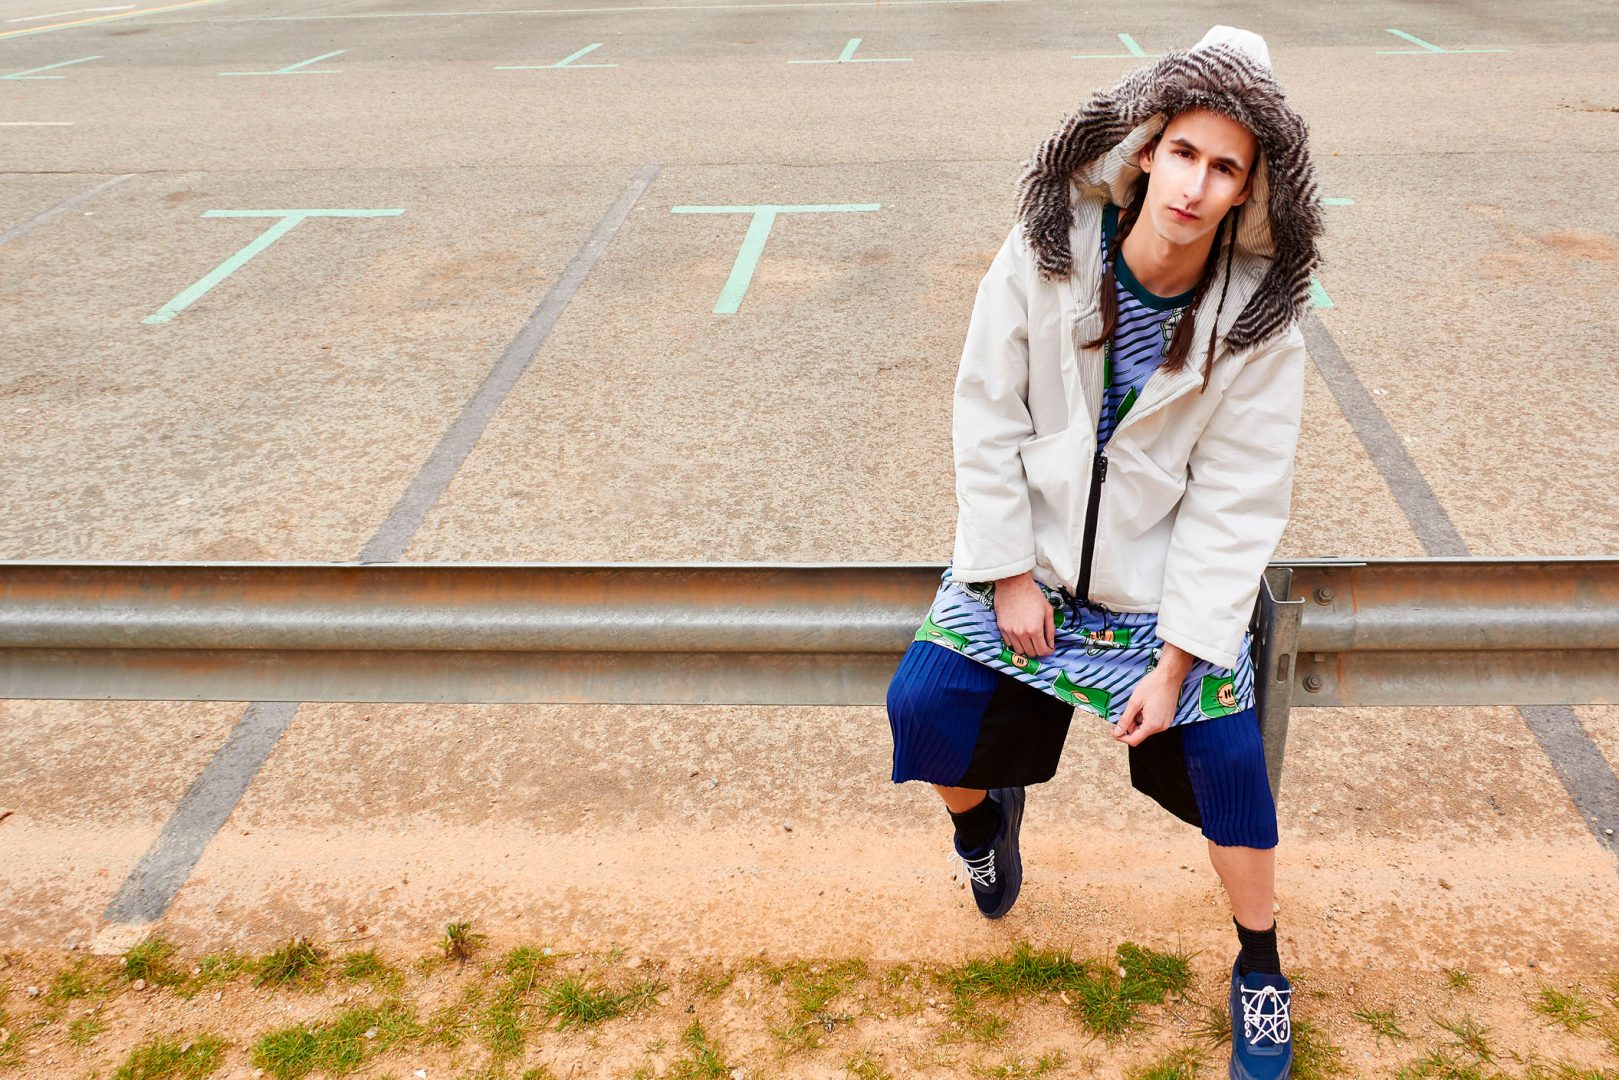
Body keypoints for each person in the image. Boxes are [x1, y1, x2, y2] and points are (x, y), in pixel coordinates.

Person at [885, 24, 1324, 1080]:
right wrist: (1004, 574)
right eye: (1183, 152)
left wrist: (1176, 663)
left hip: (1154, 600)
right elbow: (985, 412)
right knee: (922, 710)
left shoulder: (1258, 327)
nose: (1194, 185)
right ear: (1145, 148)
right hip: (1026, 567)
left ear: (1248, 190)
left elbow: (1235, 504)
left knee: (1230, 771)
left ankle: (1259, 965)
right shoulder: (1046, 254)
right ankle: (981, 830)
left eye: (1225, 168)